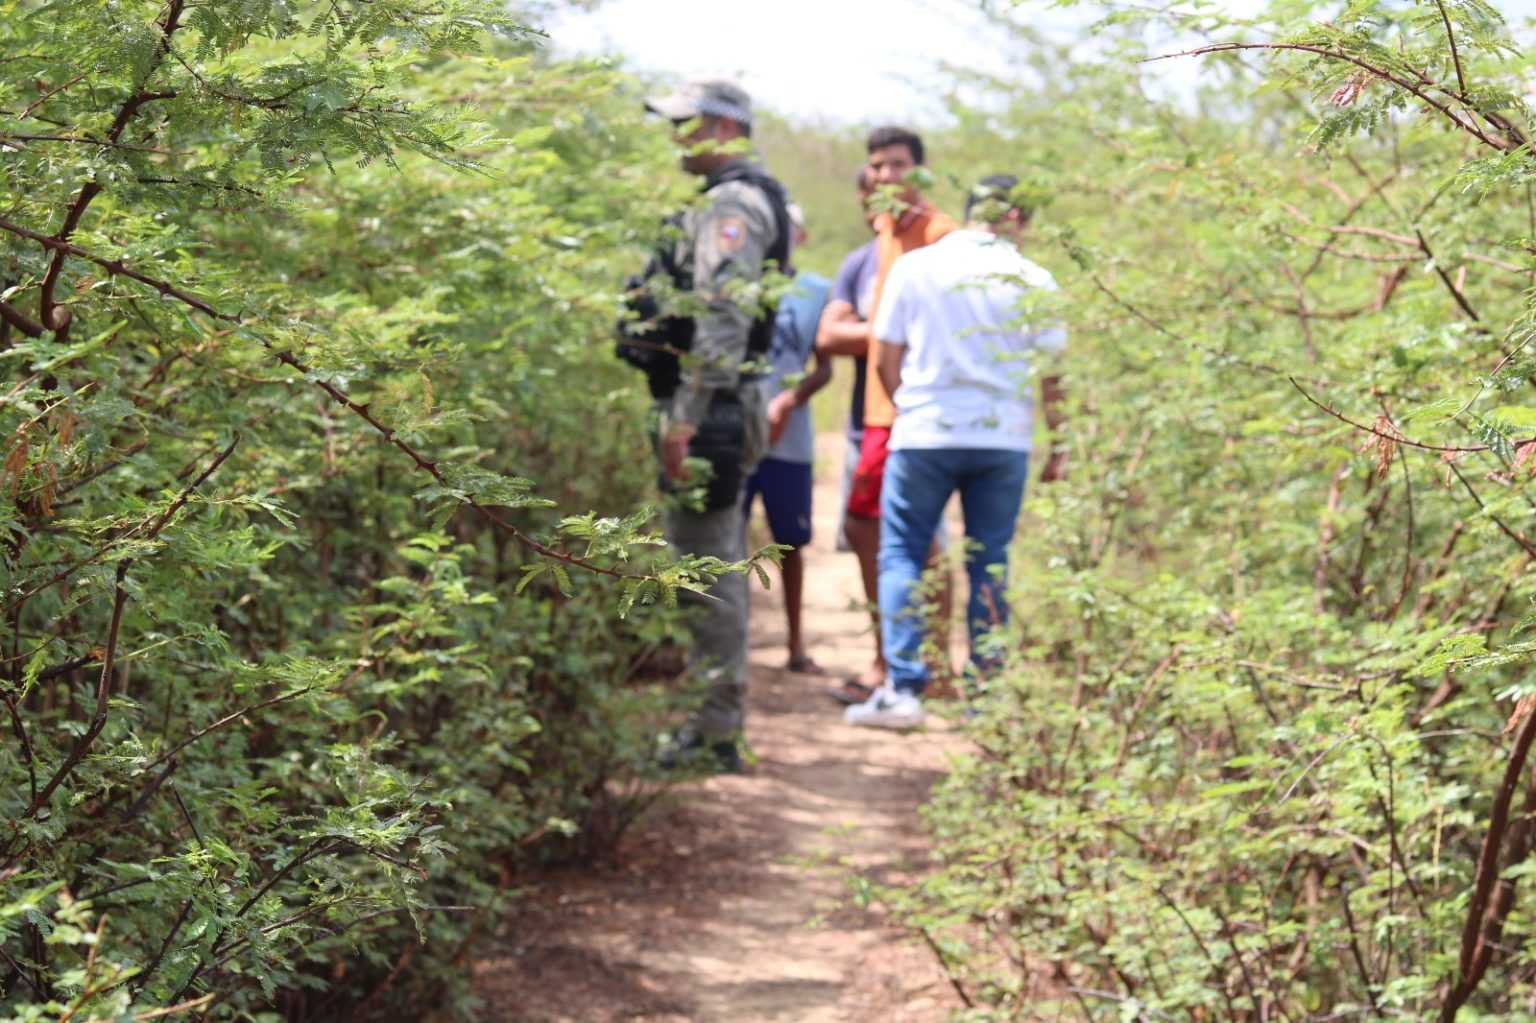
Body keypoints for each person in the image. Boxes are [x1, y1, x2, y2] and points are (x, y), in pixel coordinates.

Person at [845, 174, 1067, 730]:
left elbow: (884, 357)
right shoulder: (1034, 277)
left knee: (901, 554)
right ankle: (985, 696)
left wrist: (909, 409)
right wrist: (1058, 445)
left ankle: (903, 689)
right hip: (1002, 440)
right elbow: (1054, 377)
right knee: (989, 560)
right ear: (1017, 218)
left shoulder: (917, 267)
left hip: (925, 433)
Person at [619, 77, 791, 771]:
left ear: (724, 128)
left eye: (685, 124)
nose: (675, 137)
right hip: (714, 406)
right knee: (704, 560)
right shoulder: (729, 197)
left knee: (706, 568)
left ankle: (715, 732)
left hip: (712, 410)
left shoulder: (732, 204)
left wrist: (685, 418)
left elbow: (722, 318)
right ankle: (711, 721)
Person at [831, 128, 960, 704]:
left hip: (916, 409)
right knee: (876, 529)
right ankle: (899, 660)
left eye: (897, 165)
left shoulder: (941, 235)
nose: (884, 175)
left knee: (912, 535)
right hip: (883, 410)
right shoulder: (884, 231)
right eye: (876, 166)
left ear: (921, 172)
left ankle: (929, 666)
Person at [742, 202, 831, 673]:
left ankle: (796, 645)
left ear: (800, 236)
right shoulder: (737, 285)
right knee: (726, 540)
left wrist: (787, 401)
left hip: (789, 443)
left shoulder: (816, 291)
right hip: (736, 439)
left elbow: (825, 368)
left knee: (790, 543)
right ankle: (732, 645)